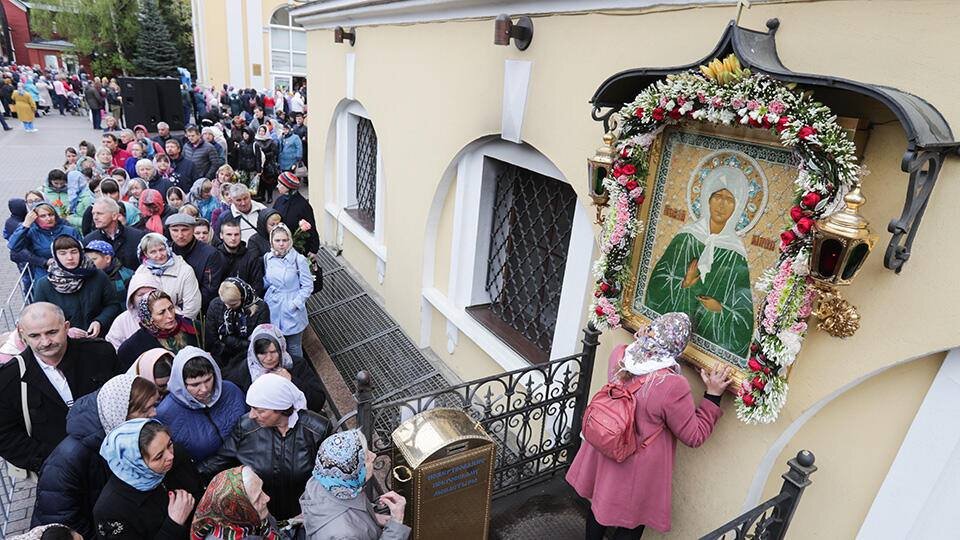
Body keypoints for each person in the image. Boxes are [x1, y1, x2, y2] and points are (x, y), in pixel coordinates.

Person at [565, 312, 731, 539]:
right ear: (678, 346)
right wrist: (713, 396)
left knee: (599, 508)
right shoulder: (671, 385)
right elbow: (694, 436)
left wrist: (640, 342)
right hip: (636, 466)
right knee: (630, 523)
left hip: (607, 447)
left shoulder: (621, 354)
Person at [32, 374, 160, 538]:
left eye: (154, 405)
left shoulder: (125, 437)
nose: (154, 413)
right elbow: (62, 525)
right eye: (145, 410)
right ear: (119, 412)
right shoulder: (67, 460)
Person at [645, 169, 754, 358]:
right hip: (669, 339)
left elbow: (743, 317)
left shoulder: (736, 254)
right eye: (717, 196)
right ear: (706, 199)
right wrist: (684, 282)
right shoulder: (686, 238)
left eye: (729, 200)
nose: (721, 204)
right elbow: (657, 282)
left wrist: (720, 309)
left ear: (738, 207)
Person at [0, 303, 121, 473]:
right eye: (35, 335)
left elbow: (124, 400)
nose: (45, 342)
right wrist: (51, 462)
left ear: (66, 327)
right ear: (22, 335)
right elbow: (6, 435)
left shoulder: (100, 353)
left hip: (113, 459)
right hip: (60, 473)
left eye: (52, 332)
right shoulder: (8, 378)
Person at [199, 373, 331, 521]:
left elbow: (328, 479)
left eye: (260, 411)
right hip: (263, 515)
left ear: (280, 408)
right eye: (252, 408)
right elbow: (222, 460)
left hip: (305, 515)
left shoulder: (317, 430)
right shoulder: (246, 427)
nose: (252, 416)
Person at [93, 419, 203, 540]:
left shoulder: (177, 456)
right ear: (137, 464)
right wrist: (174, 524)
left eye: (169, 444)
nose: (170, 456)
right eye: (159, 456)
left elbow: (198, 489)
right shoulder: (111, 511)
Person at [300, 429, 410, 540]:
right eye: (366, 457)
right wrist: (396, 521)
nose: (373, 456)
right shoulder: (343, 535)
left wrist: (372, 518)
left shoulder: (326, 480)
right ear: (352, 473)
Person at [156, 347, 247, 461]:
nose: (204, 389)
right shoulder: (165, 413)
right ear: (181, 384)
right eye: (195, 385)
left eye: (208, 379)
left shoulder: (231, 390)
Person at [31, 235, 122, 338]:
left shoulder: (98, 276)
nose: (70, 257)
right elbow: (41, 318)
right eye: (63, 253)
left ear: (81, 252)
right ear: (55, 256)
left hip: (99, 339)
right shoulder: (44, 285)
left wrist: (99, 321)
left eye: (74, 252)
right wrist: (65, 331)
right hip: (64, 344)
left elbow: (113, 305)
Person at [225, 323, 326, 411]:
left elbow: (318, 401)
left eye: (273, 352)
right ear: (254, 353)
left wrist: (292, 380)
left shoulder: (296, 365)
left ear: (281, 349)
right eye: (262, 353)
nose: (269, 358)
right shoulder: (244, 371)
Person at [263, 224, 313, 358]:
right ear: (271, 241)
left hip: (292, 308)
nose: (281, 244)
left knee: (294, 348)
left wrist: (296, 303)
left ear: (289, 241)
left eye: (284, 240)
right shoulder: (267, 258)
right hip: (273, 305)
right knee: (276, 346)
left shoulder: (298, 259)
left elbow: (308, 286)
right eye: (277, 241)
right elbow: (267, 280)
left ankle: (299, 375)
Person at [190, 466, 280, 540]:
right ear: (234, 510)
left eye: (261, 490)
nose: (267, 498)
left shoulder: (251, 515)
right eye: (257, 499)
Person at [118, 291, 200, 367]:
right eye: (161, 313)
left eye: (171, 308)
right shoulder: (136, 345)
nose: (170, 316)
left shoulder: (192, 327)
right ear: (149, 318)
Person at [7, 201, 82, 281]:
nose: (48, 219)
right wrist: (25, 225)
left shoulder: (70, 231)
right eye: (43, 216)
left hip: (71, 273)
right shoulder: (32, 233)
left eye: (51, 214)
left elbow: (82, 251)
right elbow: (14, 246)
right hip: (44, 275)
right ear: (35, 218)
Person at [132, 233, 202, 319]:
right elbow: (136, 303)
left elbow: (193, 304)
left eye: (161, 249)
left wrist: (182, 324)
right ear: (146, 254)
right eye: (153, 252)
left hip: (177, 321)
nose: (159, 255)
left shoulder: (184, 270)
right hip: (150, 323)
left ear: (167, 248)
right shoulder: (141, 272)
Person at [205, 279, 270, 368]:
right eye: (225, 303)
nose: (228, 307)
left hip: (248, 357)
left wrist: (228, 340)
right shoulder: (215, 305)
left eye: (233, 304)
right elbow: (211, 338)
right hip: (222, 356)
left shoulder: (261, 308)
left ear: (243, 298)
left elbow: (259, 341)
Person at [167, 213, 223, 312]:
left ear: (193, 230)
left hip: (199, 310)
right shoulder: (167, 252)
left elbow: (210, 290)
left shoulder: (210, 254)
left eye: (185, 230)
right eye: (175, 230)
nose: (180, 235)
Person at [83, 196, 146, 270]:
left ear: (114, 216)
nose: (95, 217)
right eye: (93, 214)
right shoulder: (89, 241)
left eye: (99, 213)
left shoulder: (137, 237)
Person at [105, 272, 160, 350]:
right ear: (132, 298)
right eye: (141, 294)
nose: (147, 297)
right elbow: (112, 349)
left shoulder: (171, 314)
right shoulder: (121, 322)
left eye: (151, 293)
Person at [216, 218, 266, 296]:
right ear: (221, 235)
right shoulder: (215, 256)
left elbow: (257, 284)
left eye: (236, 234)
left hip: (247, 301)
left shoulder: (251, 257)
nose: (233, 238)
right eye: (229, 234)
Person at [274, 172, 319, 255]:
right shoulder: (279, 201)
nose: (277, 186)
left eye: (280, 184)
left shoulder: (303, 205)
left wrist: (313, 250)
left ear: (288, 187)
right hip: (281, 247)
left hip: (298, 249)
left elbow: (311, 228)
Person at [253, 126, 279, 203]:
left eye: (263, 131)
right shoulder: (256, 141)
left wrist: (265, 155)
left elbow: (274, 152)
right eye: (260, 131)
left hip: (269, 164)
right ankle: (262, 195)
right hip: (259, 164)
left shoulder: (270, 141)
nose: (261, 133)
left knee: (269, 182)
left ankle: (270, 196)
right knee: (261, 182)